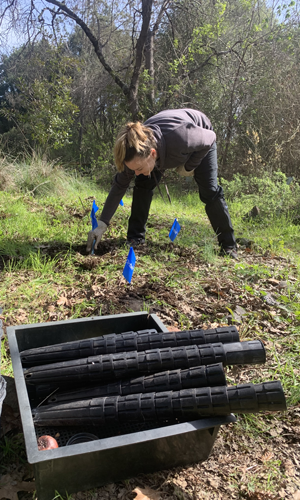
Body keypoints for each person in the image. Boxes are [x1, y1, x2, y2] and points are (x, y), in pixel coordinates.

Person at [86, 108, 237, 258]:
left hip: (201, 139)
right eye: (133, 169)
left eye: (138, 168)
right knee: (143, 183)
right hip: (161, 144)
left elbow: (210, 137)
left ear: (152, 154)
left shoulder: (182, 137)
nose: (135, 173)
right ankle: (135, 238)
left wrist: (189, 166)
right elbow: (119, 186)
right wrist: (102, 224)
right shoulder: (135, 153)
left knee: (209, 192)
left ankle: (229, 246)